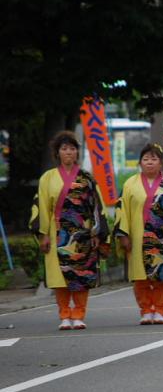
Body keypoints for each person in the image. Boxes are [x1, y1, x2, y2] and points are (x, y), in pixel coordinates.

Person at [31, 131, 109, 330]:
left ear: (77, 153)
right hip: (57, 233)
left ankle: (79, 314)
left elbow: (96, 207)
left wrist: (96, 233)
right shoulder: (47, 178)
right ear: (57, 153)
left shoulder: (86, 178)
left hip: (82, 234)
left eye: (72, 148)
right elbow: (41, 207)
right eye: (64, 149)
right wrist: (44, 235)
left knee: (81, 276)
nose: (68, 152)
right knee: (60, 278)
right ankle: (65, 314)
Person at [115, 143, 163, 325]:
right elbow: (121, 210)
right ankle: (146, 309)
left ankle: (160, 309)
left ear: (161, 163)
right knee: (141, 277)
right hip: (138, 237)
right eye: (146, 159)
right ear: (140, 162)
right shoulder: (130, 184)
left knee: (162, 276)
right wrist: (123, 235)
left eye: (154, 159)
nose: (149, 163)